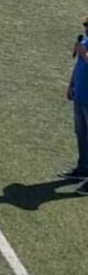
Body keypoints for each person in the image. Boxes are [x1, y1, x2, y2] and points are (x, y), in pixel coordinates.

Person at [64, 23, 88, 194]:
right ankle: (83, 168)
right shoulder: (85, 41)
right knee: (81, 133)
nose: (85, 28)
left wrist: (84, 53)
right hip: (80, 95)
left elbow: (84, 58)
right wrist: (71, 84)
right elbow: (78, 64)